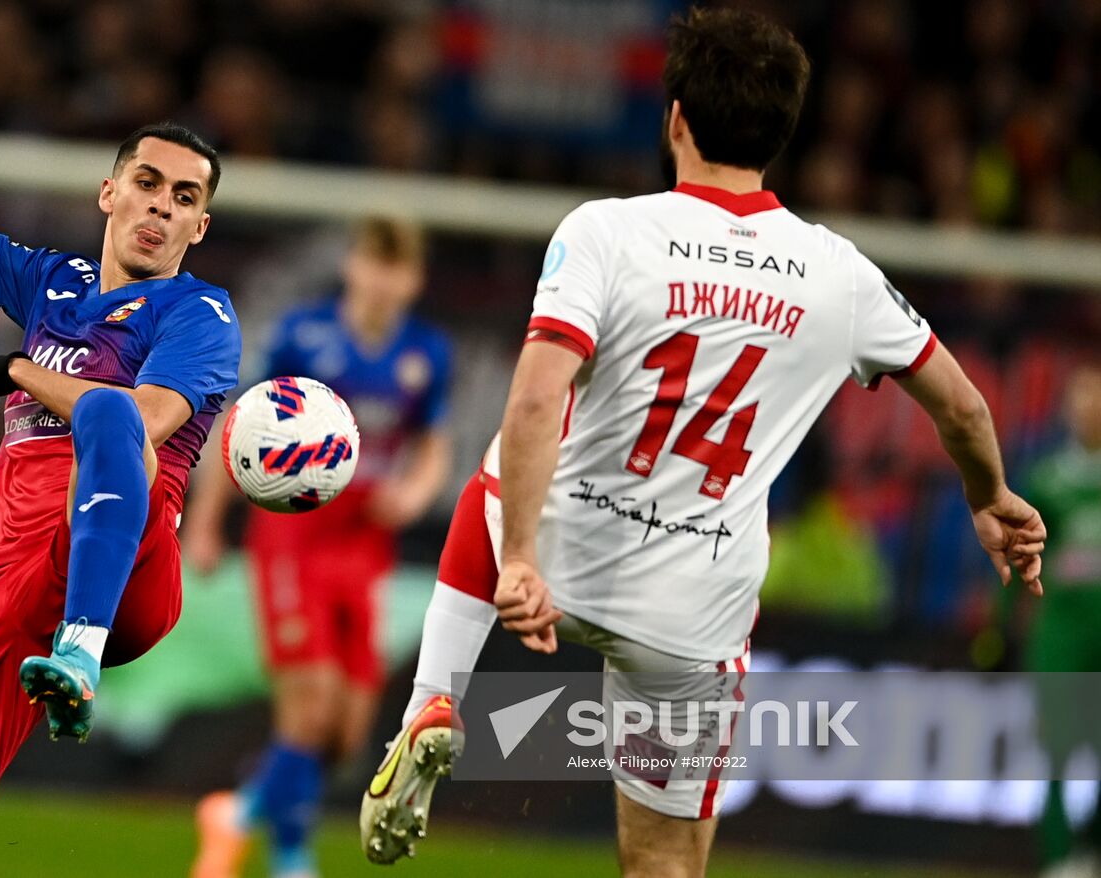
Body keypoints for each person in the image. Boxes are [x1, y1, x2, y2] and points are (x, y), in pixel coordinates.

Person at [360, 7, 1047, 877]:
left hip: (564, 558)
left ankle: (433, 701)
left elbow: (536, 399)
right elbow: (966, 412)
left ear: (675, 116)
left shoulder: (607, 230)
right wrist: (989, 498)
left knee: (508, 459)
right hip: (693, 619)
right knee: (664, 864)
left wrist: (523, 559)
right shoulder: (840, 273)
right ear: (783, 135)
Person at [0, 8, 241, 878]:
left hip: (121, 573)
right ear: (109, 194)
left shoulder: (199, 313)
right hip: (11, 579)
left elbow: (138, 422)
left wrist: (18, 371)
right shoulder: (53, 284)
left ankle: (78, 653)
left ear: (199, 230)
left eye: (186, 199)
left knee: (109, 414)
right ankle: (58, 653)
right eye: (149, 183)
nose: (162, 206)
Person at [185, 216, 453, 878]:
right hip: (295, 534)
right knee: (308, 711)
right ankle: (287, 854)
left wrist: (415, 493)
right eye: (375, 263)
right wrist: (206, 523)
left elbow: (433, 447)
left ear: (414, 280)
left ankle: (242, 808)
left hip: (365, 542)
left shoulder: (427, 355)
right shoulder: (305, 337)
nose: (385, 281)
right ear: (353, 266)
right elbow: (240, 426)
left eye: (400, 269)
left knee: (346, 735)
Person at [1024, 359, 1101, 878]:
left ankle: (1089, 852)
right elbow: (1016, 561)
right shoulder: (1046, 479)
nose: (1089, 408)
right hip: (1060, 640)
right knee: (1055, 752)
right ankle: (1057, 862)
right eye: (1081, 396)